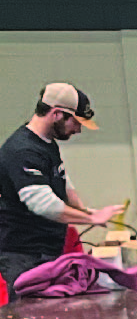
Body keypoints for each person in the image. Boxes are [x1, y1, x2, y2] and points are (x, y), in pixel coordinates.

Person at [0, 84, 125, 288]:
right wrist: (91, 218)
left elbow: (63, 181)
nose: (78, 129)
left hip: (46, 251)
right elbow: (43, 205)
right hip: (24, 255)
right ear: (57, 114)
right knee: (34, 316)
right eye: (75, 122)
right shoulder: (22, 151)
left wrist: (85, 211)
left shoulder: (45, 144)